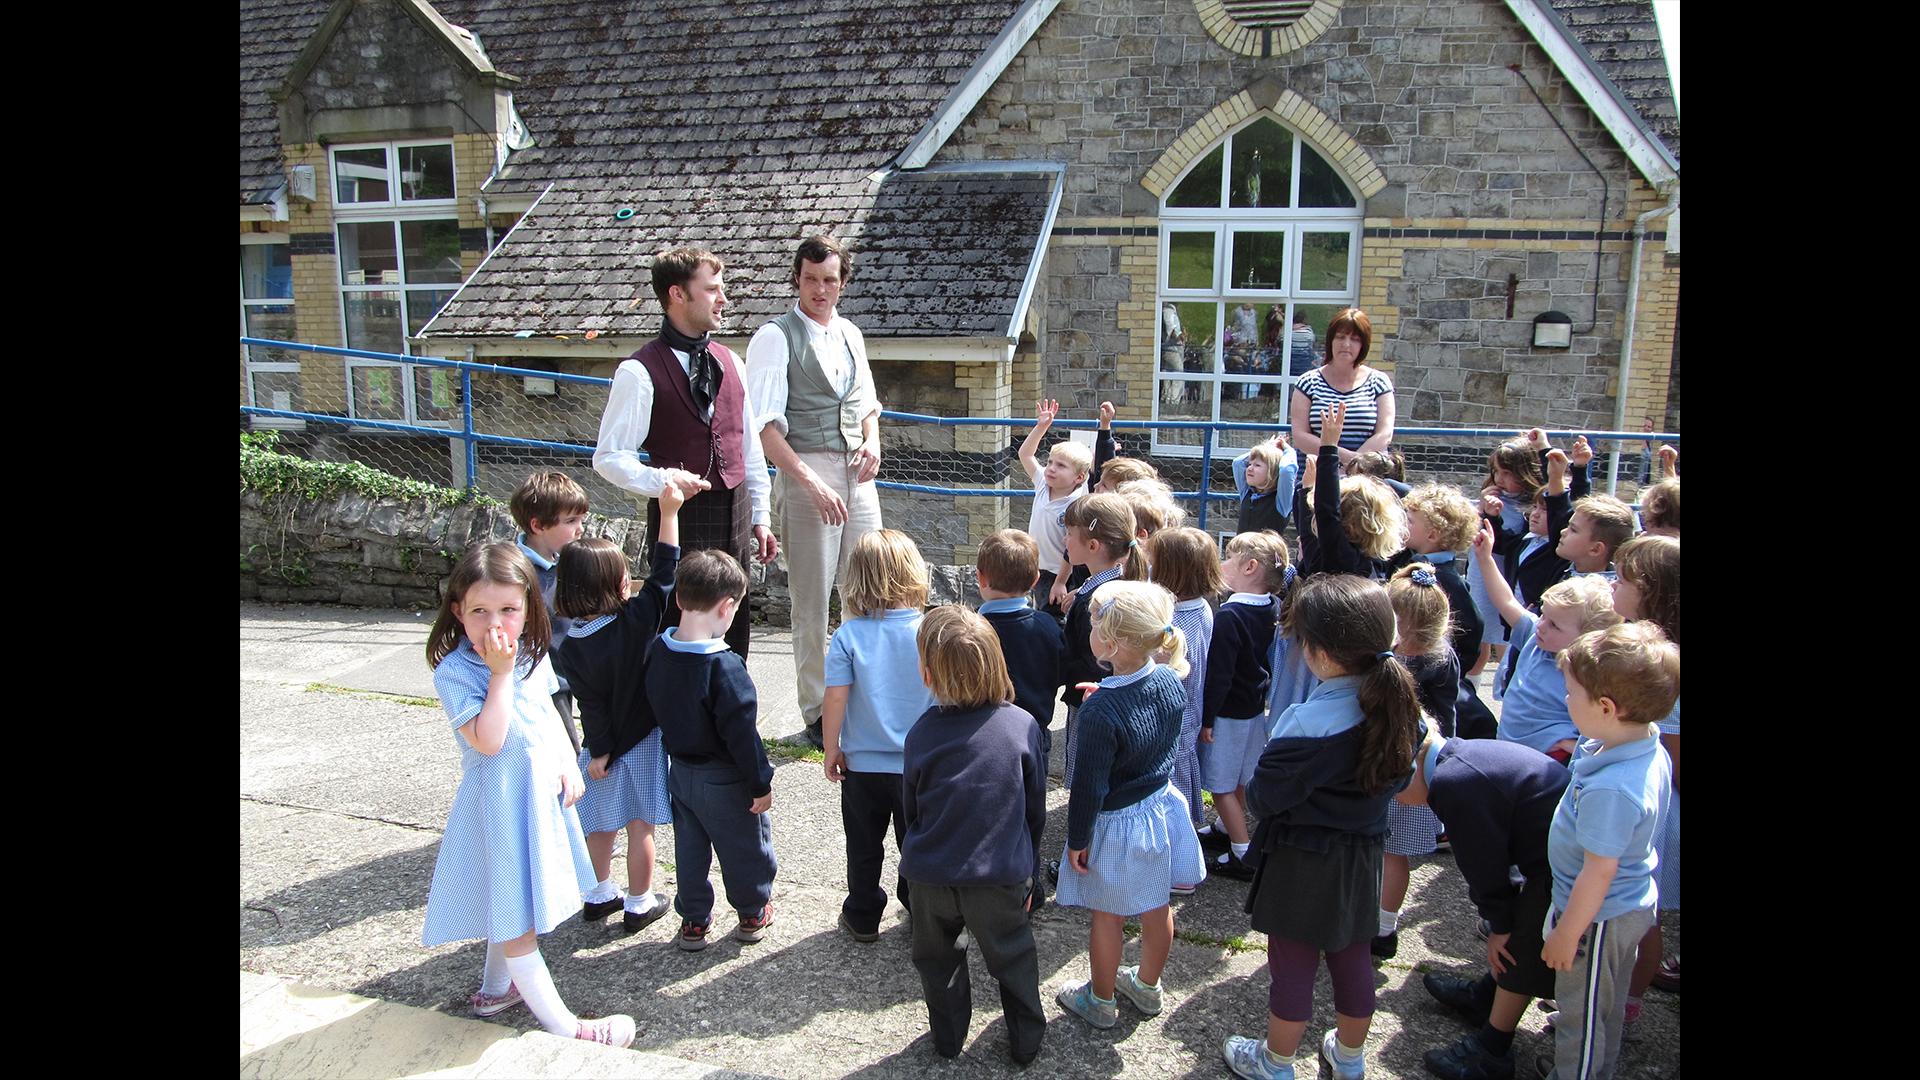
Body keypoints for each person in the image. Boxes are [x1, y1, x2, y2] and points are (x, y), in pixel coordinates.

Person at [421, 544, 635, 1047]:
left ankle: (496, 991)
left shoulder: (532, 656)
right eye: (479, 611)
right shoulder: (455, 672)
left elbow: (545, 714)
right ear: (458, 611)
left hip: (534, 799)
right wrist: (498, 673)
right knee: (517, 920)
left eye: (508, 610)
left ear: (528, 609)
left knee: (512, 904)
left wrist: (567, 763)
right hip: (497, 808)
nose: (495, 623)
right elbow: (489, 739)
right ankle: (570, 1028)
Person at [1224, 575, 1420, 1080]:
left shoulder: (1304, 722)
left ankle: (1276, 1061)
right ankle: (1350, 1058)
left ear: (1319, 653)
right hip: (1363, 856)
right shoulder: (1403, 712)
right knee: (1353, 955)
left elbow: (1266, 798)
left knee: (1292, 964)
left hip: (1301, 859)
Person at [593, 247, 777, 658]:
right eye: (711, 289)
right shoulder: (638, 372)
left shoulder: (731, 361)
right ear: (677, 294)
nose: (723, 299)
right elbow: (608, 456)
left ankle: (729, 717)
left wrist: (762, 517)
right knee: (680, 633)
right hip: (680, 519)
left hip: (737, 512)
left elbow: (748, 448)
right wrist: (661, 479)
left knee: (734, 630)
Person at [746, 235, 883, 749]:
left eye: (829, 280)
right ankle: (814, 712)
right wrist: (810, 481)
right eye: (810, 279)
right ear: (797, 280)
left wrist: (873, 445)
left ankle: (860, 698)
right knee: (812, 599)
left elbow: (869, 406)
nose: (820, 289)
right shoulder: (775, 337)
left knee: (868, 588)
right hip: (805, 470)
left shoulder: (851, 333)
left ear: (842, 282)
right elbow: (765, 430)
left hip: (858, 471)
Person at [1054, 581, 1206, 1030]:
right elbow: (1146, 722)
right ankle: (1146, 985)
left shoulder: (1101, 714)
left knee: (1109, 914)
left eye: (1095, 620)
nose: (1089, 625)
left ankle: (1100, 1001)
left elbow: (1088, 786)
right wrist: (1108, 693)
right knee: (1157, 905)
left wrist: (1077, 840)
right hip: (1160, 808)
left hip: (1118, 823)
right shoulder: (1168, 676)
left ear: (1111, 642)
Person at [902, 606, 1049, 1065]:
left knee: (936, 960)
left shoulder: (921, 733)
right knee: (1013, 958)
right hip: (998, 873)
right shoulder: (1021, 725)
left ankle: (947, 1038)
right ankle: (1026, 1038)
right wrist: (1030, 876)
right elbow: (1034, 811)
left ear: (927, 675)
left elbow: (913, 810)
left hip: (931, 874)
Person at [1538, 624, 1678, 1080]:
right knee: (1604, 1002)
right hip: (1617, 907)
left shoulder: (1615, 789)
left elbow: (1598, 874)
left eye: (1571, 693)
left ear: (1606, 708)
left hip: (1597, 919)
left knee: (1583, 1018)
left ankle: (1576, 1071)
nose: (1565, 701)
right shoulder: (1637, 742)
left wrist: (1567, 933)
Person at [550, 480, 685, 936]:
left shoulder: (569, 646)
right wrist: (669, 513)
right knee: (640, 827)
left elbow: (590, 704)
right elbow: (666, 572)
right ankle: (639, 902)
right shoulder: (636, 620)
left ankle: (597, 894)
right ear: (621, 584)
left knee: (600, 826)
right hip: (645, 742)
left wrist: (601, 749)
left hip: (601, 752)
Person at [1404, 728, 1574, 1080]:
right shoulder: (1456, 757)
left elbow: (1484, 866)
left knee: (1518, 948)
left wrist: (1500, 925)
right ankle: (1486, 995)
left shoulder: (1453, 784)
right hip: (1553, 853)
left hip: (1566, 866)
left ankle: (1492, 1050)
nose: (1397, 801)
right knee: (1519, 933)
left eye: (1393, 791)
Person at [646, 549, 778, 952]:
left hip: (680, 771)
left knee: (689, 849)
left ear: (681, 600)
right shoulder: (726, 667)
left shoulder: (658, 649)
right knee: (744, 847)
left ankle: (694, 919)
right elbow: (742, 736)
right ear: (727, 607)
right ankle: (753, 909)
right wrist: (760, 783)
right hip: (724, 778)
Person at [822, 529, 936, 941]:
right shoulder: (931, 632)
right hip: (919, 766)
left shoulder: (848, 636)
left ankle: (863, 913)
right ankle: (919, 907)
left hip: (862, 766)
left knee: (864, 846)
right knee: (917, 843)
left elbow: (835, 698)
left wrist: (831, 746)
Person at [1471, 522, 1622, 761]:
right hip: (1509, 747)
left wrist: (1568, 744)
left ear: (1586, 638)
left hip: (1551, 757)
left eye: (1555, 625)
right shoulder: (1534, 635)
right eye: (1543, 615)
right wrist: (1485, 559)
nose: (1541, 625)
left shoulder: (1590, 671)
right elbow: (1507, 601)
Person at [1607, 535, 1681, 1026]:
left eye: (1624, 579)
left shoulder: (1663, 664)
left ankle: (1624, 1004)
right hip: (1629, 789)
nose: (1614, 585)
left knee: (1639, 909)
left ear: (1651, 591)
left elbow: (1671, 751)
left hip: (1655, 803)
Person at [973, 528, 1066, 912]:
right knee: (1030, 813)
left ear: (979, 578)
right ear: (1033, 581)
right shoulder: (1046, 627)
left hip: (979, 738)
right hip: (1033, 736)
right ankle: (1026, 886)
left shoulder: (970, 631)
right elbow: (1059, 672)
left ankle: (980, 879)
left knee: (982, 810)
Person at [1373, 564, 1458, 960]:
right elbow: (1449, 716)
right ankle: (1385, 926)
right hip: (1423, 771)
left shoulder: (1384, 664)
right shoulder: (1447, 660)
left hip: (1383, 770)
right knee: (1397, 854)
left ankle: (1367, 920)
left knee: (1373, 851)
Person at [1199, 530, 1289, 882]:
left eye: (1229, 558)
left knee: (1220, 785)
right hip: (1252, 705)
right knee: (1238, 774)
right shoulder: (1271, 606)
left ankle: (1241, 851)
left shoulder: (1229, 616)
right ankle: (1226, 826)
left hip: (1227, 712)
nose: (1222, 564)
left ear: (1250, 567)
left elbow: (1219, 675)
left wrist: (1207, 718)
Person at [1057, 494, 1150, 784]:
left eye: (1070, 534)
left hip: (1092, 699)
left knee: (1090, 772)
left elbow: (1096, 659)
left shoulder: (1099, 603)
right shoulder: (1120, 581)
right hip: (1106, 697)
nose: (1065, 541)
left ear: (1093, 546)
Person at [1145, 526, 1225, 849]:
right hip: (1190, 713)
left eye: (1153, 563)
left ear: (1168, 571)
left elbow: (1165, 675)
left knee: (1169, 796)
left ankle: (1174, 861)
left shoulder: (1174, 626)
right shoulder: (1202, 606)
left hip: (1172, 722)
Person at [1402, 483, 1492, 739]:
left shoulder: (1445, 582)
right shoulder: (1412, 563)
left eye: (1410, 522)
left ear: (1432, 534)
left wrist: (1444, 669)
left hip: (1430, 682)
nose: (1404, 526)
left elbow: (1472, 627)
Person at [509, 471, 590, 753]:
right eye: (570, 521)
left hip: (572, 675)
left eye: (581, 520)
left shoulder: (565, 561)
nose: (580, 529)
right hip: (543, 684)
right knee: (565, 756)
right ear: (538, 525)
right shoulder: (515, 574)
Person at [1297, 402, 1408, 581]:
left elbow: (1327, 512)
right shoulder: (1372, 563)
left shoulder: (1344, 560)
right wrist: (1307, 491)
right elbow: (1308, 536)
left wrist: (1329, 446)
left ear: (1348, 524)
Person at [1287, 308, 1394, 466]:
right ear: (1331, 340)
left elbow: (1384, 434)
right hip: (1316, 479)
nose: (1346, 344)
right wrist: (1342, 456)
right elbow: (1300, 435)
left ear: (1363, 344)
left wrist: (1356, 464)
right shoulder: (1307, 382)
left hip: (1364, 481)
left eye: (1355, 339)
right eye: (1340, 337)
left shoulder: (1379, 382)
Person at [1016, 398, 1092, 616]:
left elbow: (1071, 548)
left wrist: (1060, 581)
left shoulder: (1077, 504)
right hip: (1037, 567)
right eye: (1050, 462)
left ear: (1078, 477)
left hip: (1061, 573)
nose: (1051, 468)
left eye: (1060, 465)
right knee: (1040, 609)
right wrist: (1041, 427)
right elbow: (1025, 454)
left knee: (1056, 616)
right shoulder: (1042, 482)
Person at [1233, 435, 1298, 536]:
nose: (1249, 468)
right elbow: (1237, 463)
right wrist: (1268, 447)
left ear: (1272, 472)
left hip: (1267, 551)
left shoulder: (1281, 501)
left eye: (1257, 465)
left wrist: (1289, 450)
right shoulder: (1247, 493)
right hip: (1242, 550)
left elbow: (1286, 470)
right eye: (1250, 464)